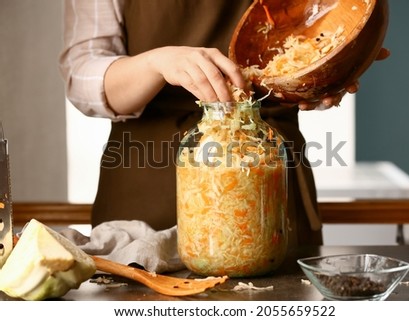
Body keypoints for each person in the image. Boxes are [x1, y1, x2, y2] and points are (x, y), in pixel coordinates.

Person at [59, 0, 384, 246]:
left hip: (270, 188)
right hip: (145, 186)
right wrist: (156, 63)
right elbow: (81, 77)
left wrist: (323, 76)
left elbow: (314, 27)